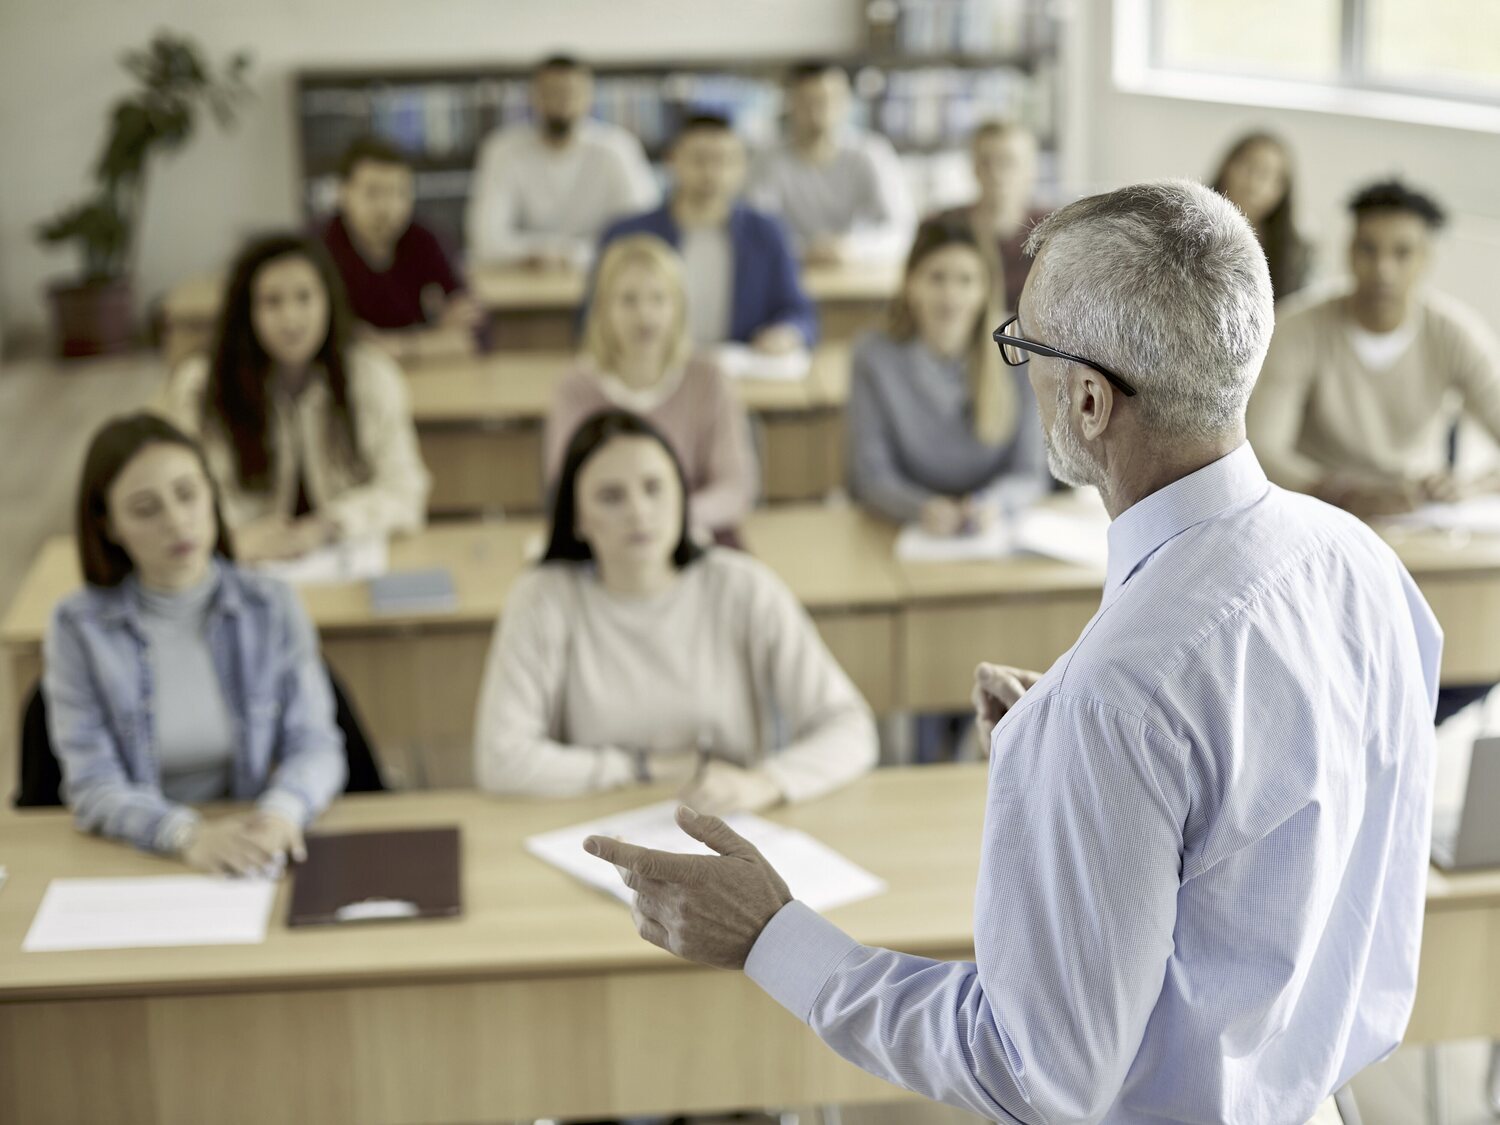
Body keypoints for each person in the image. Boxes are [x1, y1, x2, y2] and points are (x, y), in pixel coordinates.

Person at [590, 180, 1439, 1125]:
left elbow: (1033, 1072)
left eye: (1023, 345)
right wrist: (1098, 774)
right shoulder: (1361, 560)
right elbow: (1273, 819)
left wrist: (768, 934)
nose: (1014, 368)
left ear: (1087, 400)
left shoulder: (1115, 701)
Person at [476, 410, 876, 812]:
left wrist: (765, 783)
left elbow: (850, 728)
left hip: (727, 826)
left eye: (654, 488)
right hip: (594, 826)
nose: (639, 511)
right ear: (577, 519)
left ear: (682, 496)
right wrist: (642, 768)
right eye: (611, 497)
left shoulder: (742, 586)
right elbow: (501, 759)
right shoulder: (543, 597)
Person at [42, 413, 346, 872]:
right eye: (146, 509)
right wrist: (185, 835)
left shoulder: (271, 605)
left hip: (251, 842)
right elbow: (92, 785)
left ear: (212, 494)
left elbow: (316, 744)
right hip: (140, 850)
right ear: (109, 525)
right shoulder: (76, 627)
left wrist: (282, 811)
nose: (177, 521)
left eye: (188, 494)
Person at [164, 233, 431, 563]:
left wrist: (329, 525)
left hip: (341, 560)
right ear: (246, 311)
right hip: (241, 564)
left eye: (305, 298)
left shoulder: (372, 377)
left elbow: (405, 490)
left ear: (329, 301)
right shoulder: (200, 388)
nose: (291, 319)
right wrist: (233, 540)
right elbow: (183, 498)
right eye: (272, 302)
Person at [1248, 179, 1500, 519]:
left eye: (1402, 253)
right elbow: (1262, 447)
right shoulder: (1297, 328)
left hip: (1416, 517)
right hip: (1316, 512)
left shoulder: (1455, 335)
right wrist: (1340, 492)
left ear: (1425, 259)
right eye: (1368, 249)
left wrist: (1467, 486)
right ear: (1349, 252)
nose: (1383, 269)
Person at [544, 234, 757, 542]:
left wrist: (666, 521)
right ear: (603, 309)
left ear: (678, 308)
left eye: (658, 299)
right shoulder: (575, 388)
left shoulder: (709, 380)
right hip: (607, 546)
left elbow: (735, 490)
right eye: (628, 300)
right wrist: (631, 525)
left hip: (695, 537)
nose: (644, 315)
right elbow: (566, 492)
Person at [846, 217, 1047, 536]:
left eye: (966, 280)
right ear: (911, 284)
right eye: (936, 278)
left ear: (985, 289)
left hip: (993, 528)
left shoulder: (1019, 350)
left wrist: (994, 504)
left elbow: (1029, 473)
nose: (950, 296)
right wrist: (920, 508)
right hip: (905, 527)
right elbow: (872, 476)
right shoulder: (873, 357)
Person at [596, 113, 816, 352]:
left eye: (724, 161)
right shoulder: (627, 234)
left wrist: (787, 333)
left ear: (742, 166)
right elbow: (594, 318)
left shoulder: (766, 232)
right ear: (672, 160)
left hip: (739, 368)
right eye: (699, 160)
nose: (712, 173)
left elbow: (799, 313)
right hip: (650, 369)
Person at [466, 54, 658, 269]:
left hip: (603, 276)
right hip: (522, 281)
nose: (561, 102)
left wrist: (571, 256)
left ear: (589, 97)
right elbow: (485, 240)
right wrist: (546, 255)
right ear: (532, 96)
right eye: (551, 92)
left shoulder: (617, 148)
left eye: (571, 92)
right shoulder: (502, 149)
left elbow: (640, 234)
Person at [319, 135, 483, 361]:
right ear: (343, 193)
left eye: (399, 193)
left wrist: (392, 346)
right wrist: (433, 339)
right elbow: (339, 345)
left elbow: (472, 335)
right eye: (373, 193)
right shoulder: (319, 248)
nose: (387, 208)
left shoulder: (424, 240)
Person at [747, 61, 915, 265]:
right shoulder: (768, 159)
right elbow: (755, 229)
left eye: (827, 100)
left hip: (857, 270)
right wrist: (804, 250)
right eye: (807, 101)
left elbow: (902, 229)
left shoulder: (871, 153)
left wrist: (852, 249)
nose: (817, 112)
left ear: (847, 102)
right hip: (788, 269)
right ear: (790, 104)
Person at [931, 119, 1050, 314]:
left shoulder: (1052, 233)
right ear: (974, 167)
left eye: (1008, 162)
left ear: (1031, 169)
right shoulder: (942, 228)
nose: (996, 173)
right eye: (986, 162)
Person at [1210, 131, 1310, 300]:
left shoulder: (1296, 252)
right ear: (1226, 167)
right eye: (1248, 167)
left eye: (1266, 175)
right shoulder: (1185, 225)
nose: (1253, 183)